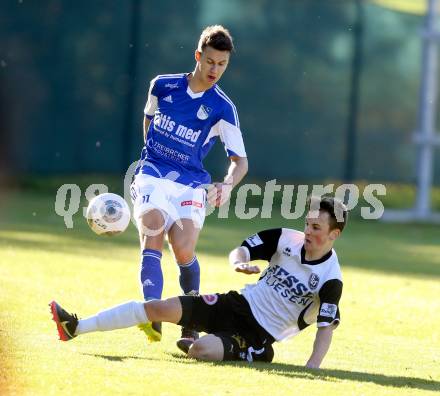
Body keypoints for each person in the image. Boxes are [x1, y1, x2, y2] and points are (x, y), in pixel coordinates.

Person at [50, 196, 347, 368]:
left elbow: (325, 328)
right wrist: (238, 262)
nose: (308, 231)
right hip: (235, 304)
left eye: (316, 227)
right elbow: (243, 248)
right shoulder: (286, 238)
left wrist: (312, 368)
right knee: (158, 307)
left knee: (200, 351)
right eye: (307, 224)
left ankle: (247, 352)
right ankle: (75, 327)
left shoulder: (330, 278)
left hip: (258, 334)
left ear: (334, 234)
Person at [130, 25, 248, 350]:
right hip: (154, 173)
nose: (215, 70)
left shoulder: (223, 108)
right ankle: (151, 311)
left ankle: (192, 321)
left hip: (193, 183)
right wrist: (154, 162)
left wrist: (226, 184)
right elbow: (148, 121)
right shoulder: (163, 86)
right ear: (198, 56)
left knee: (182, 248)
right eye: (210, 61)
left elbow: (241, 161)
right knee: (153, 230)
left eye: (221, 64)